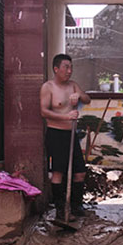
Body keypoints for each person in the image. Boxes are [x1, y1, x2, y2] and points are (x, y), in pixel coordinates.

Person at [40, 53, 91, 218]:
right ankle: (60, 210)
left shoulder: (73, 85)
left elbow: (87, 99)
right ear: (56, 69)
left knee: (80, 172)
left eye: (71, 67)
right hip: (56, 134)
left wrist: (79, 96)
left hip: (71, 135)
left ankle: (76, 206)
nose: (69, 71)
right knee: (58, 173)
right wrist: (66, 116)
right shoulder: (48, 87)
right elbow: (44, 111)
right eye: (66, 67)